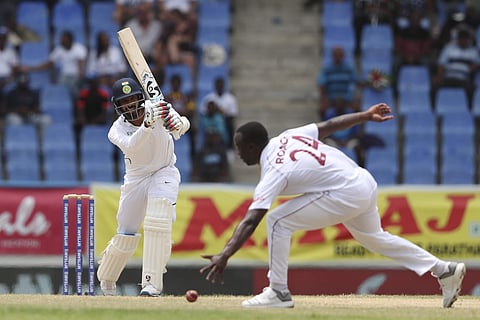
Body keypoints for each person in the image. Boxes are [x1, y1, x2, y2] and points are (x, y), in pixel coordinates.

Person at [200, 103, 466, 309]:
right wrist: (364, 115)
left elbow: (252, 218)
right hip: (363, 180)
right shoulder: (289, 136)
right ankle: (444, 270)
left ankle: (278, 291)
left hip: (346, 191)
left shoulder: (273, 170)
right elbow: (329, 125)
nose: (237, 153)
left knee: (278, 221)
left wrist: (225, 254)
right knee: (376, 239)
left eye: (239, 148)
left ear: (251, 146)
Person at [96, 77, 190, 296]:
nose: (129, 106)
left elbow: (182, 125)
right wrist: (148, 124)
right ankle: (107, 279)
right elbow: (132, 146)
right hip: (136, 179)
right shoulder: (116, 130)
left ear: (140, 97)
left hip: (164, 170)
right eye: (124, 102)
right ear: (117, 106)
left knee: (159, 220)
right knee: (126, 232)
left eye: (132, 100)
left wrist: (178, 124)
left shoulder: (158, 106)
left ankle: (151, 285)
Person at [430, 26, 479, 110]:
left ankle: (469, 111)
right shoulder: (449, 49)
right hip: (449, 77)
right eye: (461, 39)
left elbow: (478, 63)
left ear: (468, 40)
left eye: (465, 39)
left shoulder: (473, 51)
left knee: (471, 89)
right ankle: (434, 110)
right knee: (435, 86)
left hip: (463, 79)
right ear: (458, 39)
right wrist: (439, 76)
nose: (463, 41)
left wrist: (469, 68)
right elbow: (441, 64)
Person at [316, 46, 362, 119]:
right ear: (332, 56)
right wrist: (324, 99)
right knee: (322, 109)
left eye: (340, 55)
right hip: (331, 97)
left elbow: (357, 81)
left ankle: (355, 129)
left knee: (358, 110)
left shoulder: (349, 68)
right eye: (336, 55)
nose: (338, 57)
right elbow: (321, 84)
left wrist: (370, 83)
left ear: (343, 56)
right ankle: (324, 127)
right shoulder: (327, 68)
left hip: (346, 97)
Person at [200, 77, 238, 151]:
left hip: (225, 121)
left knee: (229, 125)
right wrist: (215, 111)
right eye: (218, 85)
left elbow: (233, 114)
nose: (219, 87)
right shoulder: (209, 98)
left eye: (221, 85)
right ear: (215, 86)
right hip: (211, 120)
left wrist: (221, 113)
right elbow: (203, 111)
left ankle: (229, 147)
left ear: (224, 86)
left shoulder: (230, 98)